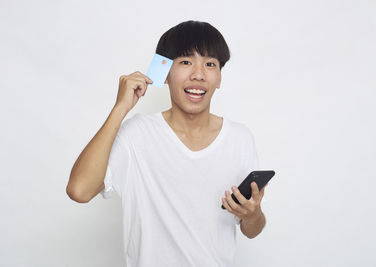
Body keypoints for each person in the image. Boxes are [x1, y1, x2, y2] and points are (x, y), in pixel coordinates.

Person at [67, 20, 267, 267]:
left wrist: (253, 214)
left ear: (219, 78)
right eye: (185, 62)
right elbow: (79, 190)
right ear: (164, 72)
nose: (198, 74)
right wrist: (120, 108)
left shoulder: (240, 138)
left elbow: (252, 229)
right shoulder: (137, 135)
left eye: (210, 64)